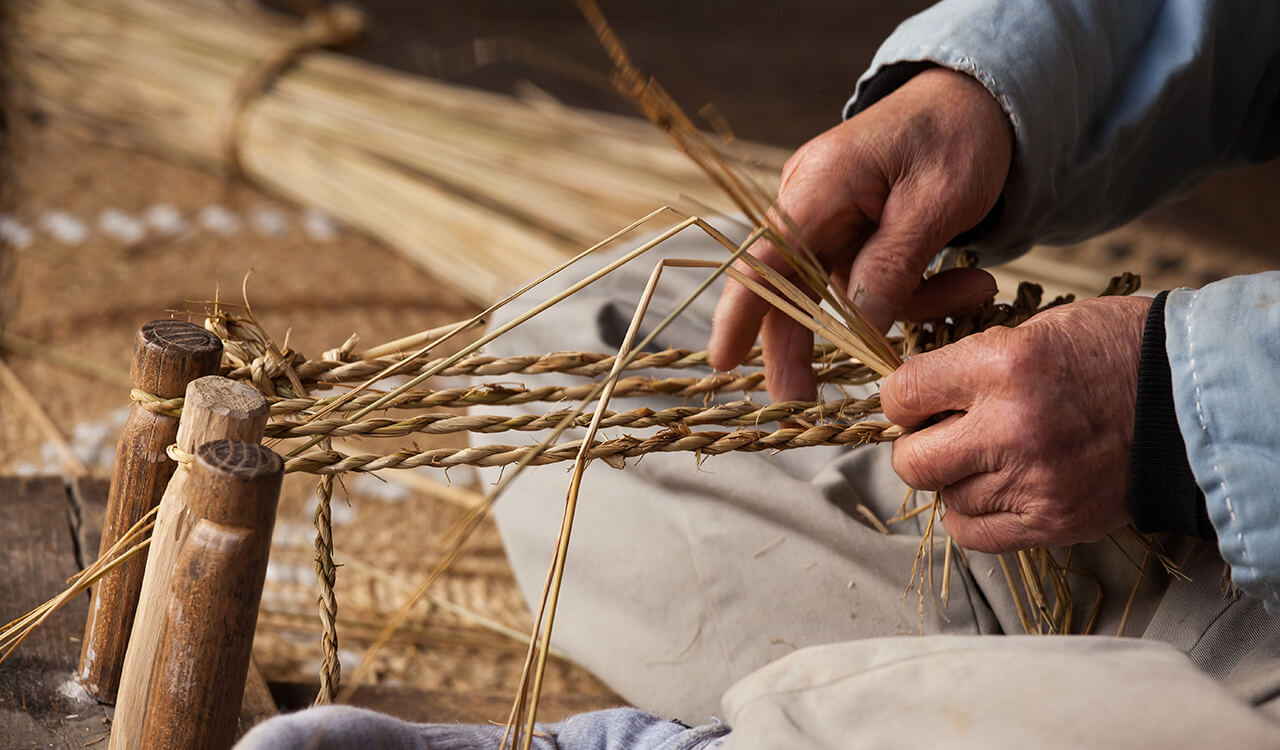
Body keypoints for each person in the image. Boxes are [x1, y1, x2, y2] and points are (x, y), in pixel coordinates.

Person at [238, 0, 1280, 747]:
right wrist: (986, 90)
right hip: (1188, 501)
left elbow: (1187, 403)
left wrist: (1178, 405)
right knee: (575, 350)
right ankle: (979, 692)